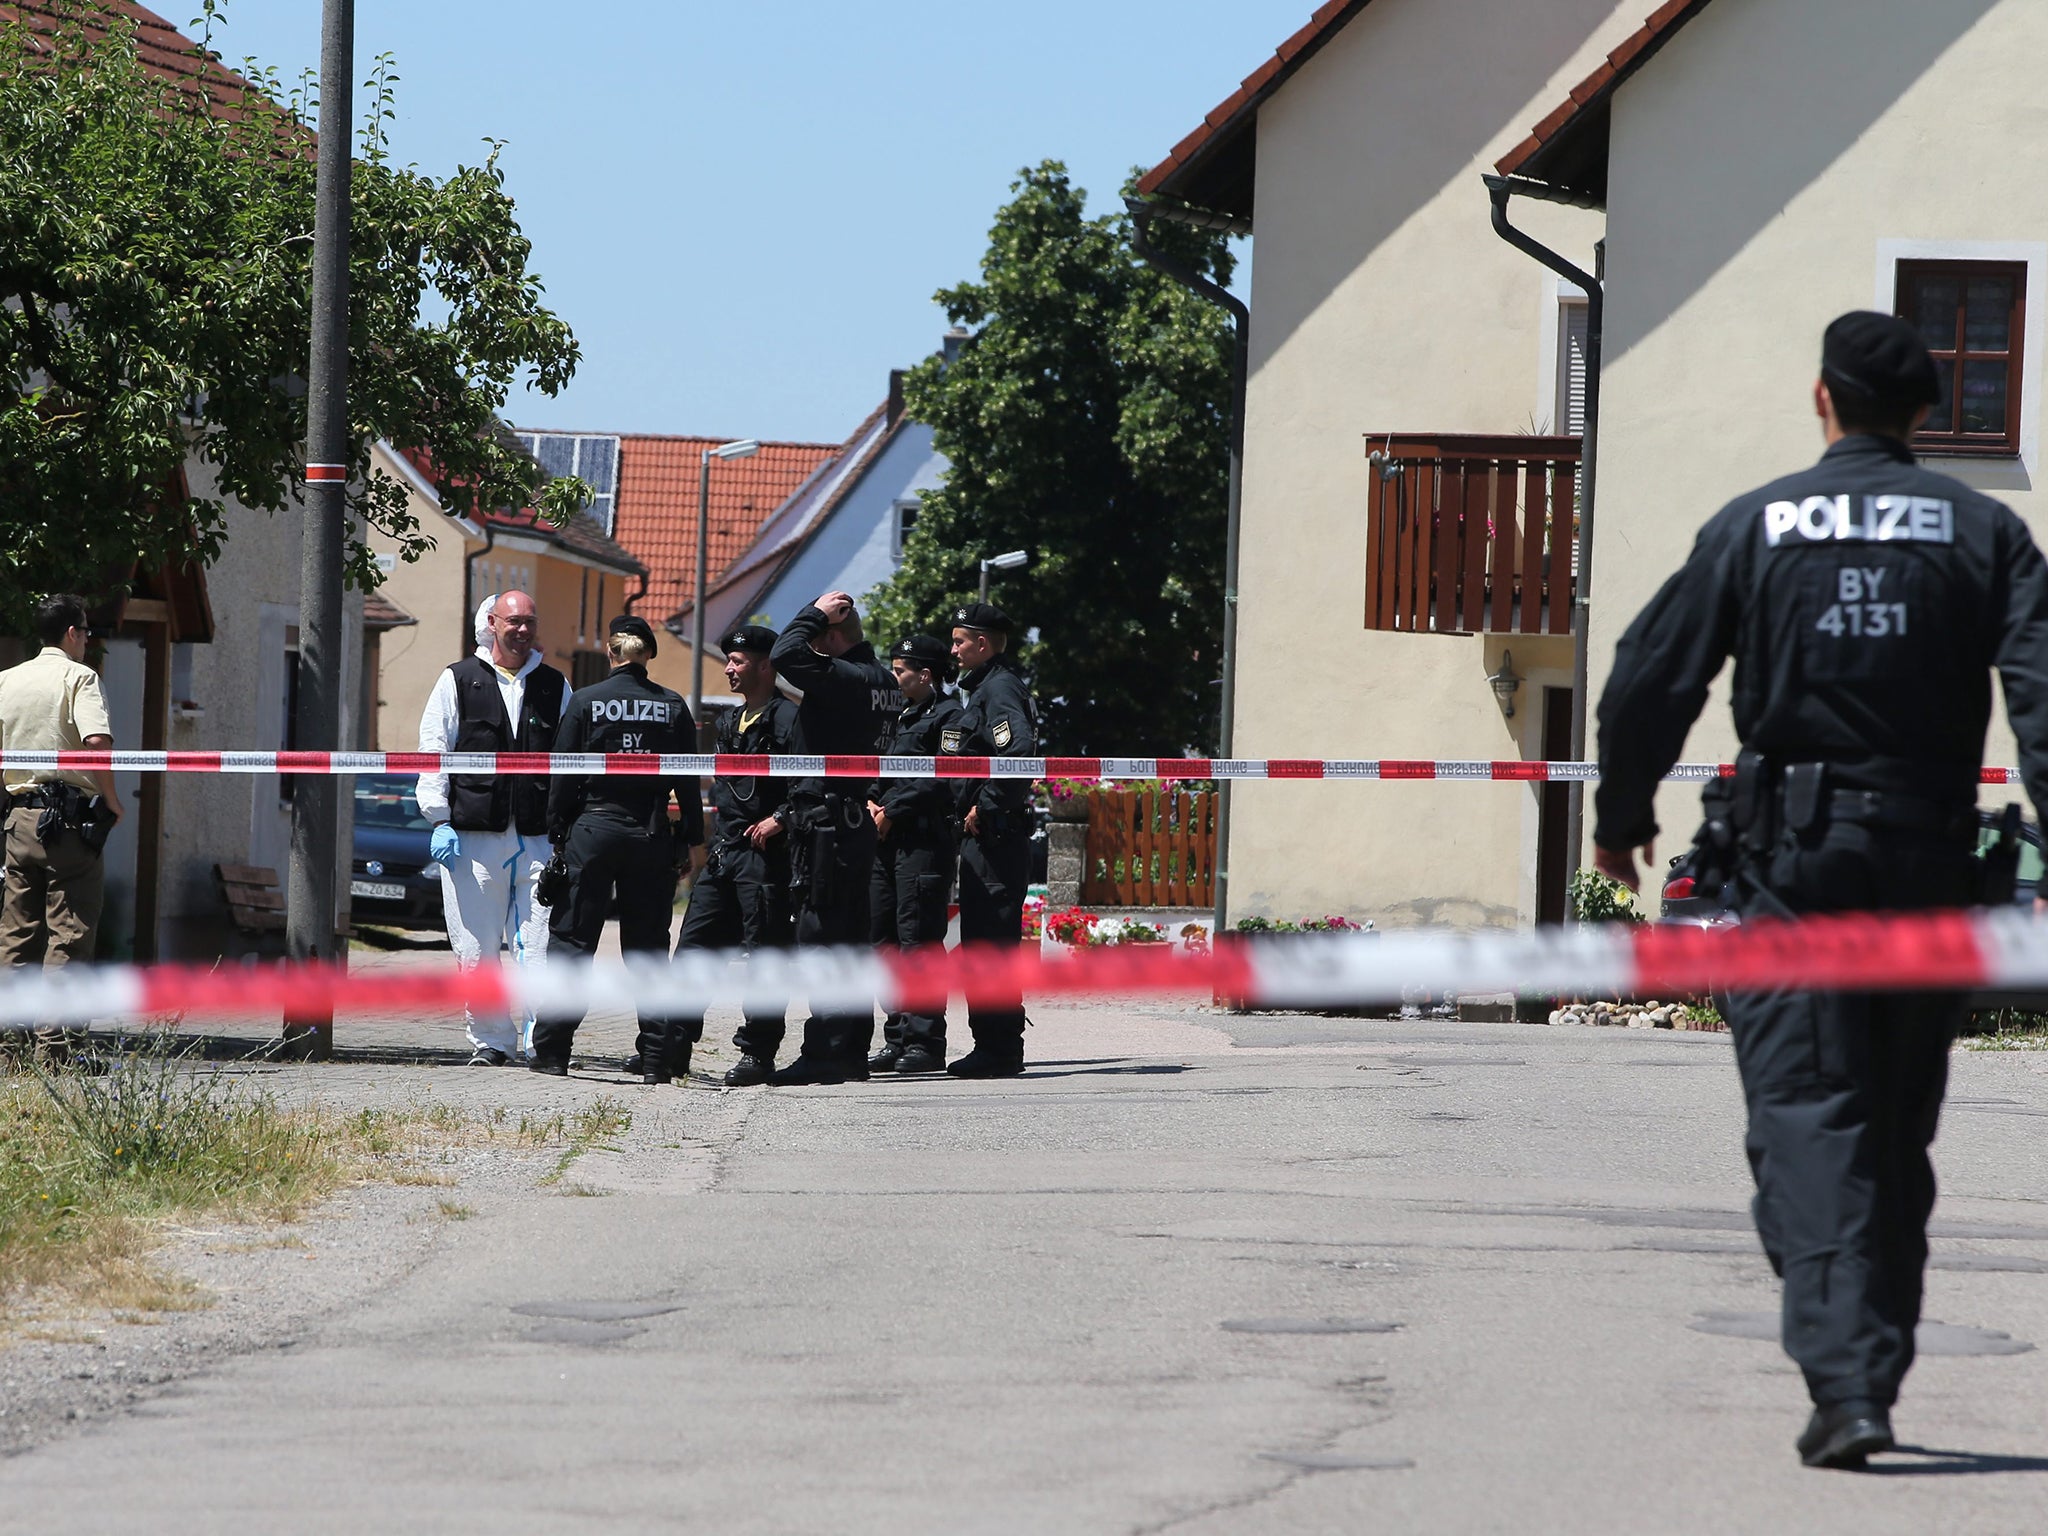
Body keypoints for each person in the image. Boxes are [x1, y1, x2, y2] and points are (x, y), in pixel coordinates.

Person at [1592, 311, 2048, 1470]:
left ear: (1819, 399)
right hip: (1930, 870)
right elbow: (2044, 700)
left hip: (1791, 869)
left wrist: (1618, 820)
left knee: (1810, 1112)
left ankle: (1846, 1382)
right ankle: (1866, 1368)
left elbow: (1649, 676)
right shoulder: (1986, 532)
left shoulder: (1755, 525)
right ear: (1925, 415)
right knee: (1894, 1124)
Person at [530, 616, 703, 1082]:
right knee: (648, 949)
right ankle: (654, 1061)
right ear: (648, 654)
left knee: (571, 942)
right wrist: (689, 836)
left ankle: (552, 1053)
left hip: (593, 828)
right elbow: (687, 777)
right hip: (650, 834)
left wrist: (558, 831)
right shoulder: (671, 705)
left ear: (611, 653)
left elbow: (563, 772)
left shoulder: (586, 701)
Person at [416, 589, 566, 1066]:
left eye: (530, 621)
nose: (522, 630)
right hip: (472, 837)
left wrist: (567, 824)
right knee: (475, 949)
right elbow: (432, 750)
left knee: (539, 947)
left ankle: (541, 1042)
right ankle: (491, 1042)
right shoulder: (458, 680)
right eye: (513, 621)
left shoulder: (554, 683)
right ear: (492, 623)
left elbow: (569, 759)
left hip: (539, 837)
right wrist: (438, 818)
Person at [656, 624, 799, 1088]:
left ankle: (758, 1053)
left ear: (764, 665)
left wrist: (783, 816)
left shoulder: (790, 720)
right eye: (729, 661)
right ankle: (673, 1045)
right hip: (727, 852)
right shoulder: (730, 722)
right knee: (695, 947)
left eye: (738, 662)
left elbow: (815, 784)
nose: (730, 670)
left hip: (766, 855)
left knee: (764, 957)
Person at [766, 590, 899, 1084]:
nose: (815, 651)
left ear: (833, 639)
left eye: (821, 641)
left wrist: (815, 614)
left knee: (820, 938)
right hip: (850, 823)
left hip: (826, 824)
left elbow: (784, 655)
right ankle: (851, 1051)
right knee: (850, 940)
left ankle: (825, 1052)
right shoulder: (882, 679)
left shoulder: (847, 677)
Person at [0, 595, 124, 1063]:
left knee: (16, 935)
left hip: (20, 820)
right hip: (69, 824)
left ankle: (8, 1048)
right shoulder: (80, 677)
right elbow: (95, 743)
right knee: (68, 932)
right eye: (87, 631)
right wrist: (111, 801)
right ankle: (57, 1050)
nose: (89, 640)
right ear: (72, 632)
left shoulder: (7, 680)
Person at [942, 601, 1040, 1077]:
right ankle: (993, 1045)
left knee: (991, 945)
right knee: (982, 942)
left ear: (982, 644)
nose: (954, 649)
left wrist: (988, 803)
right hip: (986, 841)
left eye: (960, 641)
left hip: (996, 840)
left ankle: (1000, 1049)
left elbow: (1017, 751)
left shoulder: (998, 688)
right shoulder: (983, 688)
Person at [867, 634, 964, 1075]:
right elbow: (875, 766)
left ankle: (925, 1042)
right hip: (885, 841)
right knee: (883, 940)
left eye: (900, 669)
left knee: (918, 942)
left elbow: (942, 778)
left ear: (925, 674)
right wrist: (872, 802)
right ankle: (897, 1034)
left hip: (923, 844)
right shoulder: (894, 715)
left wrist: (892, 810)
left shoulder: (951, 719)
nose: (894, 676)